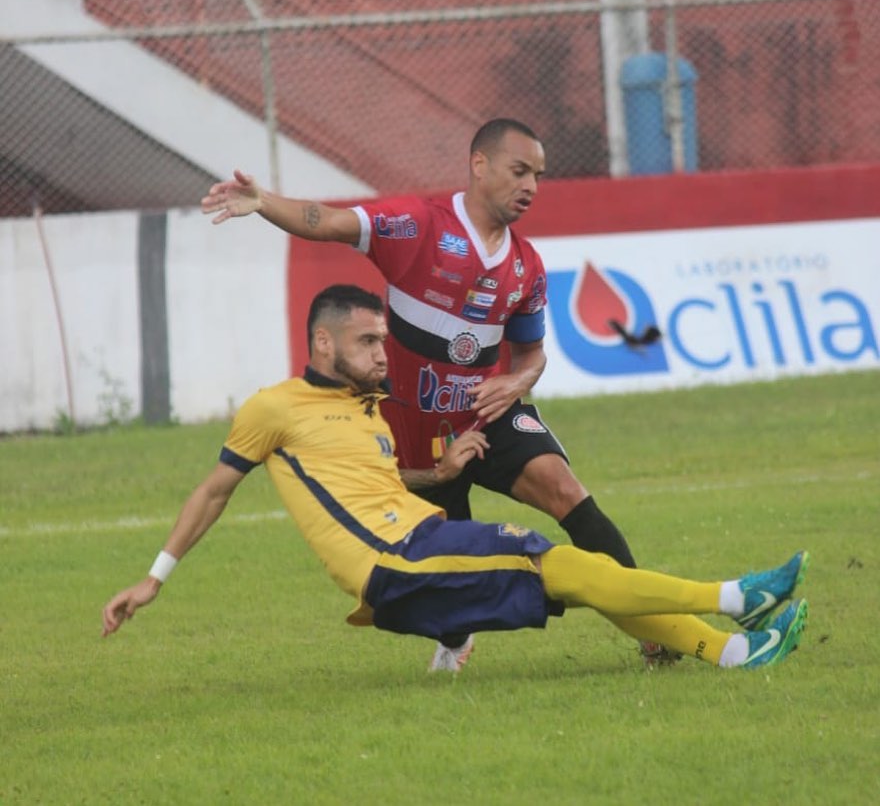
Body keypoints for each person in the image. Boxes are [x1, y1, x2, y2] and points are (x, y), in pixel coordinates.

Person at [102, 285, 810, 673]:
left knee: (572, 580)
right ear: (323, 343)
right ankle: (737, 600)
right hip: (397, 559)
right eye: (369, 341)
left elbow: (376, 480)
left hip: (422, 542)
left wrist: (433, 472)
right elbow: (214, 489)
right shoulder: (272, 408)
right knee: (563, 563)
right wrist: (154, 578)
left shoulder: (369, 413)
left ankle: (734, 650)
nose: (385, 353)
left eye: (384, 339)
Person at [198, 121, 677, 670]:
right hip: (416, 437)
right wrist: (262, 202)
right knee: (450, 585)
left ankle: (655, 630)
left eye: (538, 177)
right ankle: (456, 640)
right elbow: (326, 221)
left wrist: (518, 383)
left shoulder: (527, 266)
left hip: (486, 419)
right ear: (479, 165)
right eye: (519, 171)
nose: (531, 187)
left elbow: (532, 355)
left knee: (567, 492)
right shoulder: (417, 225)